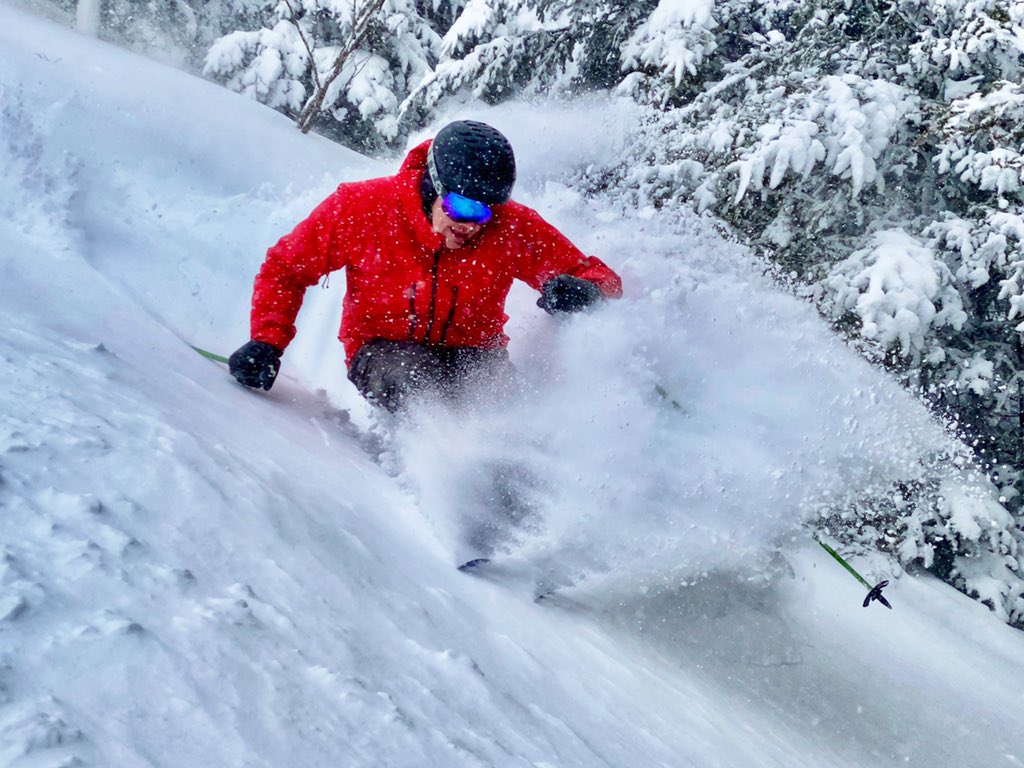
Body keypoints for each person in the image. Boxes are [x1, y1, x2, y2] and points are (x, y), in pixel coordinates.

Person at [229, 120, 623, 412]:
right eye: (462, 206)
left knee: (509, 412)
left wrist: (584, 291)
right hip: (384, 350)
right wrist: (266, 342)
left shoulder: (510, 227)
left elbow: (600, 277)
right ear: (431, 186)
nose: (471, 224)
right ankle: (440, 480)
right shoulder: (362, 209)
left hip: (475, 355)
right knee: (422, 391)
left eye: (485, 210)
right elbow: (286, 267)